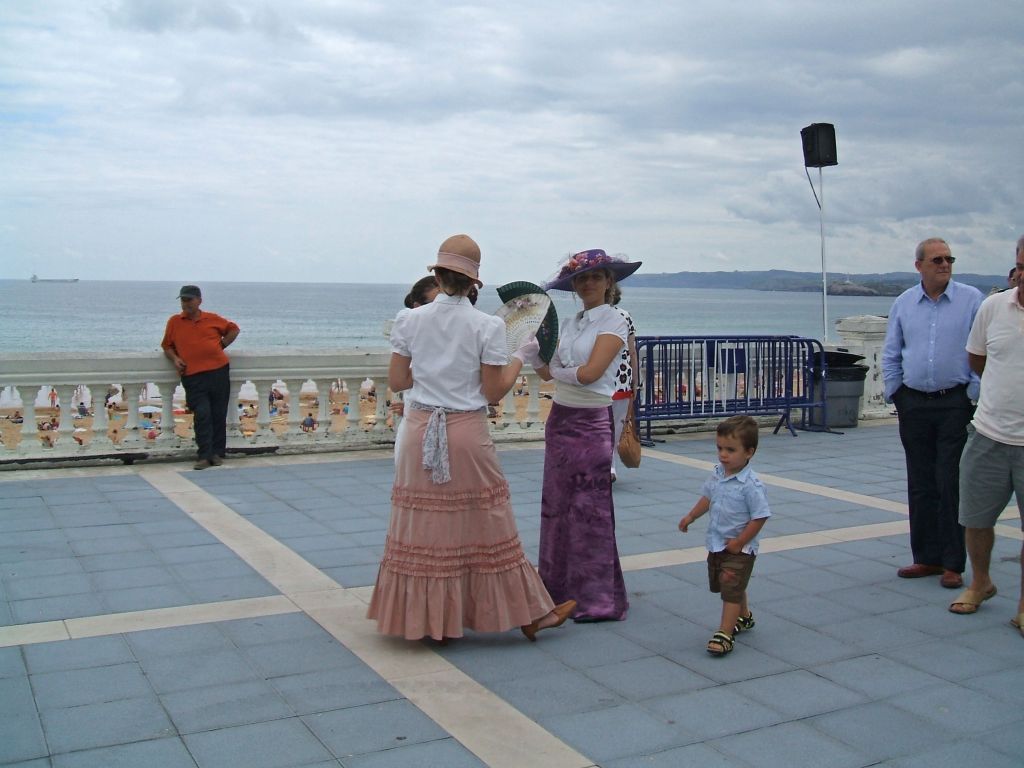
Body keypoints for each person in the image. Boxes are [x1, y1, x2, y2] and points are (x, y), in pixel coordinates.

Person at [367, 234, 575, 642]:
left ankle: (424, 620)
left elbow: (397, 381)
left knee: (422, 527)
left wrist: (430, 381)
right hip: (465, 430)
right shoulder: (488, 325)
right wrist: (520, 354)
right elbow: (494, 391)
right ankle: (531, 614)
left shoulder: (409, 319)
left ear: (438, 274)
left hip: (419, 429)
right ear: (474, 283)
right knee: (489, 523)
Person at [533, 249, 642, 622]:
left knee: (590, 513)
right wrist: (532, 353)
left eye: (596, 276)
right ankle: (556, 590)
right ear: (574, 286)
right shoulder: (572, 322)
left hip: (592, 422)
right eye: (582, 278)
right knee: (556, 508)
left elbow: (590, 374)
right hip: (560, 418)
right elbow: (550, 372)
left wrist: (556, 369)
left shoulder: (614, 320)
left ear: (610, 282)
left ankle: (596, 598)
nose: (589, 283)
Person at [881, 238, 982, 589]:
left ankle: (953, 563)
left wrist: (972, 393)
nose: (945, 264)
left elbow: (982, 349)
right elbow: (892, 350)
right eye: (937, 259)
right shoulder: (904, 303)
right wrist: (896, 393)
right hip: (914, 403)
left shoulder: (971, 300)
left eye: (949, 258)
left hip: (954, 402)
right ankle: (925, 557)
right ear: (919, 265)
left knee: (950, 480)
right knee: (920, 482)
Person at [949, 236, 1024, 626]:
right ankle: (980, 582)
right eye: (1021, 267)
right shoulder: (994, 307)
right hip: (988, 434)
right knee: (975, 519)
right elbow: (977, 359)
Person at [678, 416, 771, 656]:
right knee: (729, 584)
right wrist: (691, 516)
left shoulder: (751, 484)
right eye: (720, 448)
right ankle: (745, 616)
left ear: (749, 452)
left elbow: (760, 516)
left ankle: (725, 633)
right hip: (718, 543)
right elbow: (707, 498)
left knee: (730, 586)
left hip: (739, 548)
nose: (723, 455)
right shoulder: (718, 474)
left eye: (731, 450)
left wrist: (741, 542)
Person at [161, 285, 240, 470]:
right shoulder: (175, 321)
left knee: (218, 413)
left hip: (218, 371)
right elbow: (166, 345)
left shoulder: (212, 319)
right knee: (202, 414)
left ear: (199, 300)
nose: (185, 304)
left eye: (189, 300)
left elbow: (234, 329)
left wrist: (222, 344)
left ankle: (217, 453)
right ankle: (203, 455)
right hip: (193, 375)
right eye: (183, 300)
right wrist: (175, 359)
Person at [608, 284, 638, 483]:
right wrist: (635, 379)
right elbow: (632, 350)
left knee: (609, 425)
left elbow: (632, 349)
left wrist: (635, 379)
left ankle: (608, 465)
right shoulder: (624, 316)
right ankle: (608, 465)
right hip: (619, 380)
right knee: (614, 425)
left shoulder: (622, 316)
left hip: (613, 379)